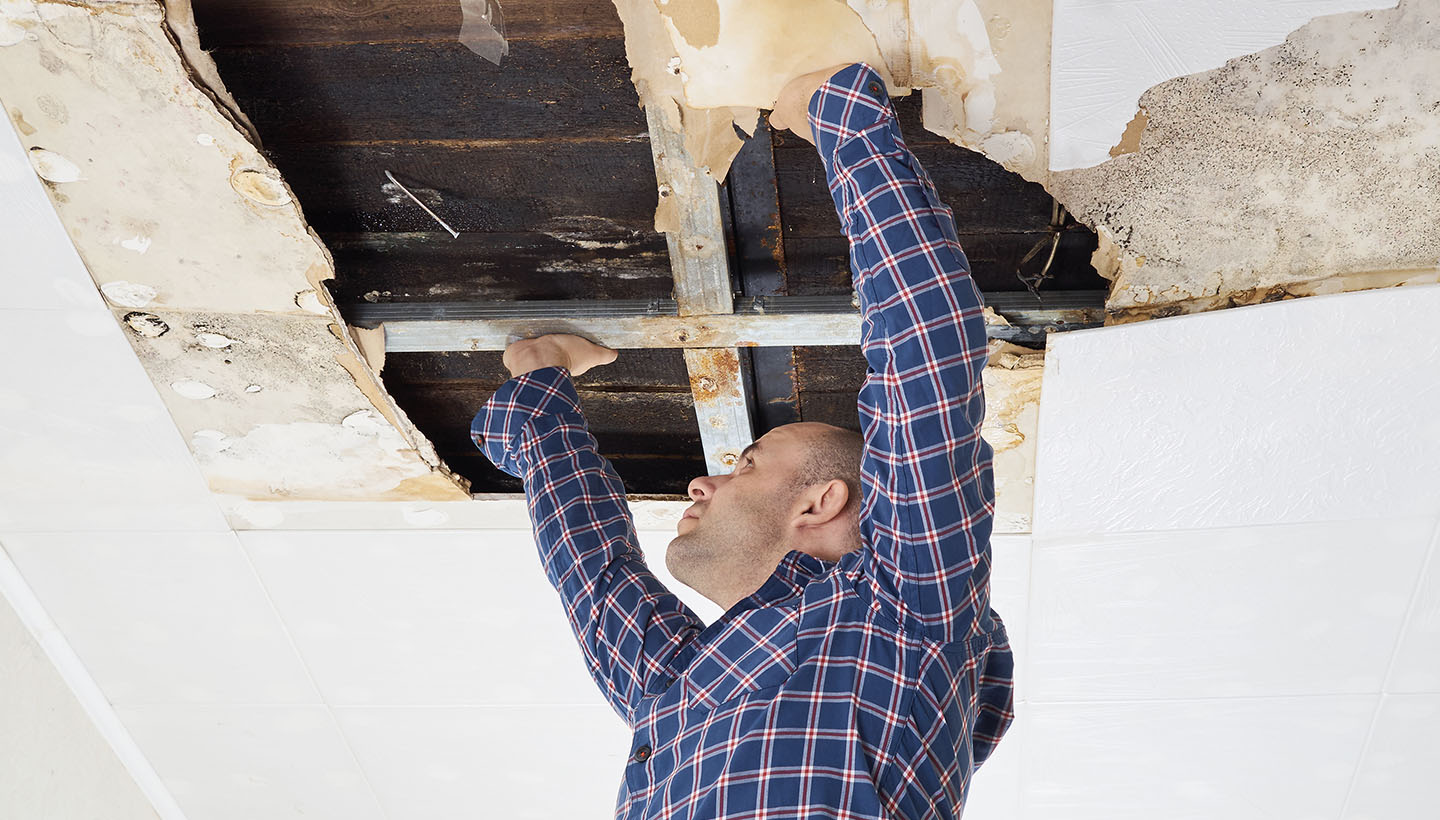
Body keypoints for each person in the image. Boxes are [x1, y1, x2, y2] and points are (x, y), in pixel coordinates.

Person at [473, 62, 1013, 819]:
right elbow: (926, 353)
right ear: (824, 501)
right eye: (748, 464)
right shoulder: (906, 607)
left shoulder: (675, 694)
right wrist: (839, 115)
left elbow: (592, 574)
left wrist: (539, 387)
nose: (702, 482)